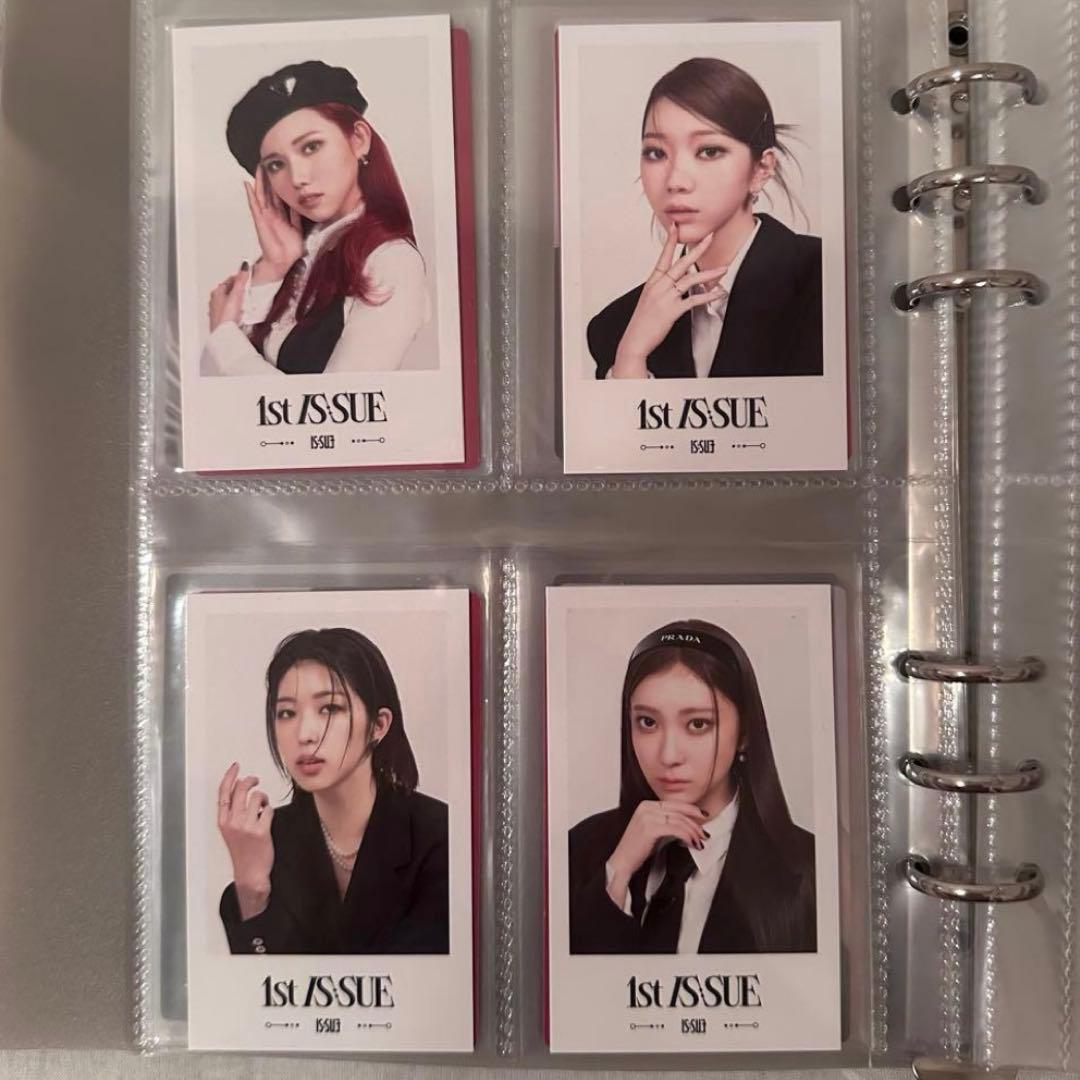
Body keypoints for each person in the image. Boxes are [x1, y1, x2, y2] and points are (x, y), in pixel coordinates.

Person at [567, 620, 816, 954]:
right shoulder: (580, 849)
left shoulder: (811, 870)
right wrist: (617, 873)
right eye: (647, 722)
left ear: (744, 732)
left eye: (698, 724)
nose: (668, 755)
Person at [587, 58, 823, 380]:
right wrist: (631, 358)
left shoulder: (826, 280)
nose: (675, 181)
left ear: (761, 168)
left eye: (709, 151)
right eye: (656, 153)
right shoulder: (616, 327)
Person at [217, 627, 449, 954]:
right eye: (287, 713)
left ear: (378, 725)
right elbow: (254, 982)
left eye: (329, 709)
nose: (305, 734)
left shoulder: (439, 833)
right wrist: (251, 888)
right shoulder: (265, 840)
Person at [202, 60, 430, 376]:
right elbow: (211, 387)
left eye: (311, 147)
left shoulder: (392, 261)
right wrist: (273, 268)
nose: (297, 178)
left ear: (359, 139)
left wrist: (225, 337)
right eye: (276, 164)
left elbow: (338, 400)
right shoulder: (301, 257)